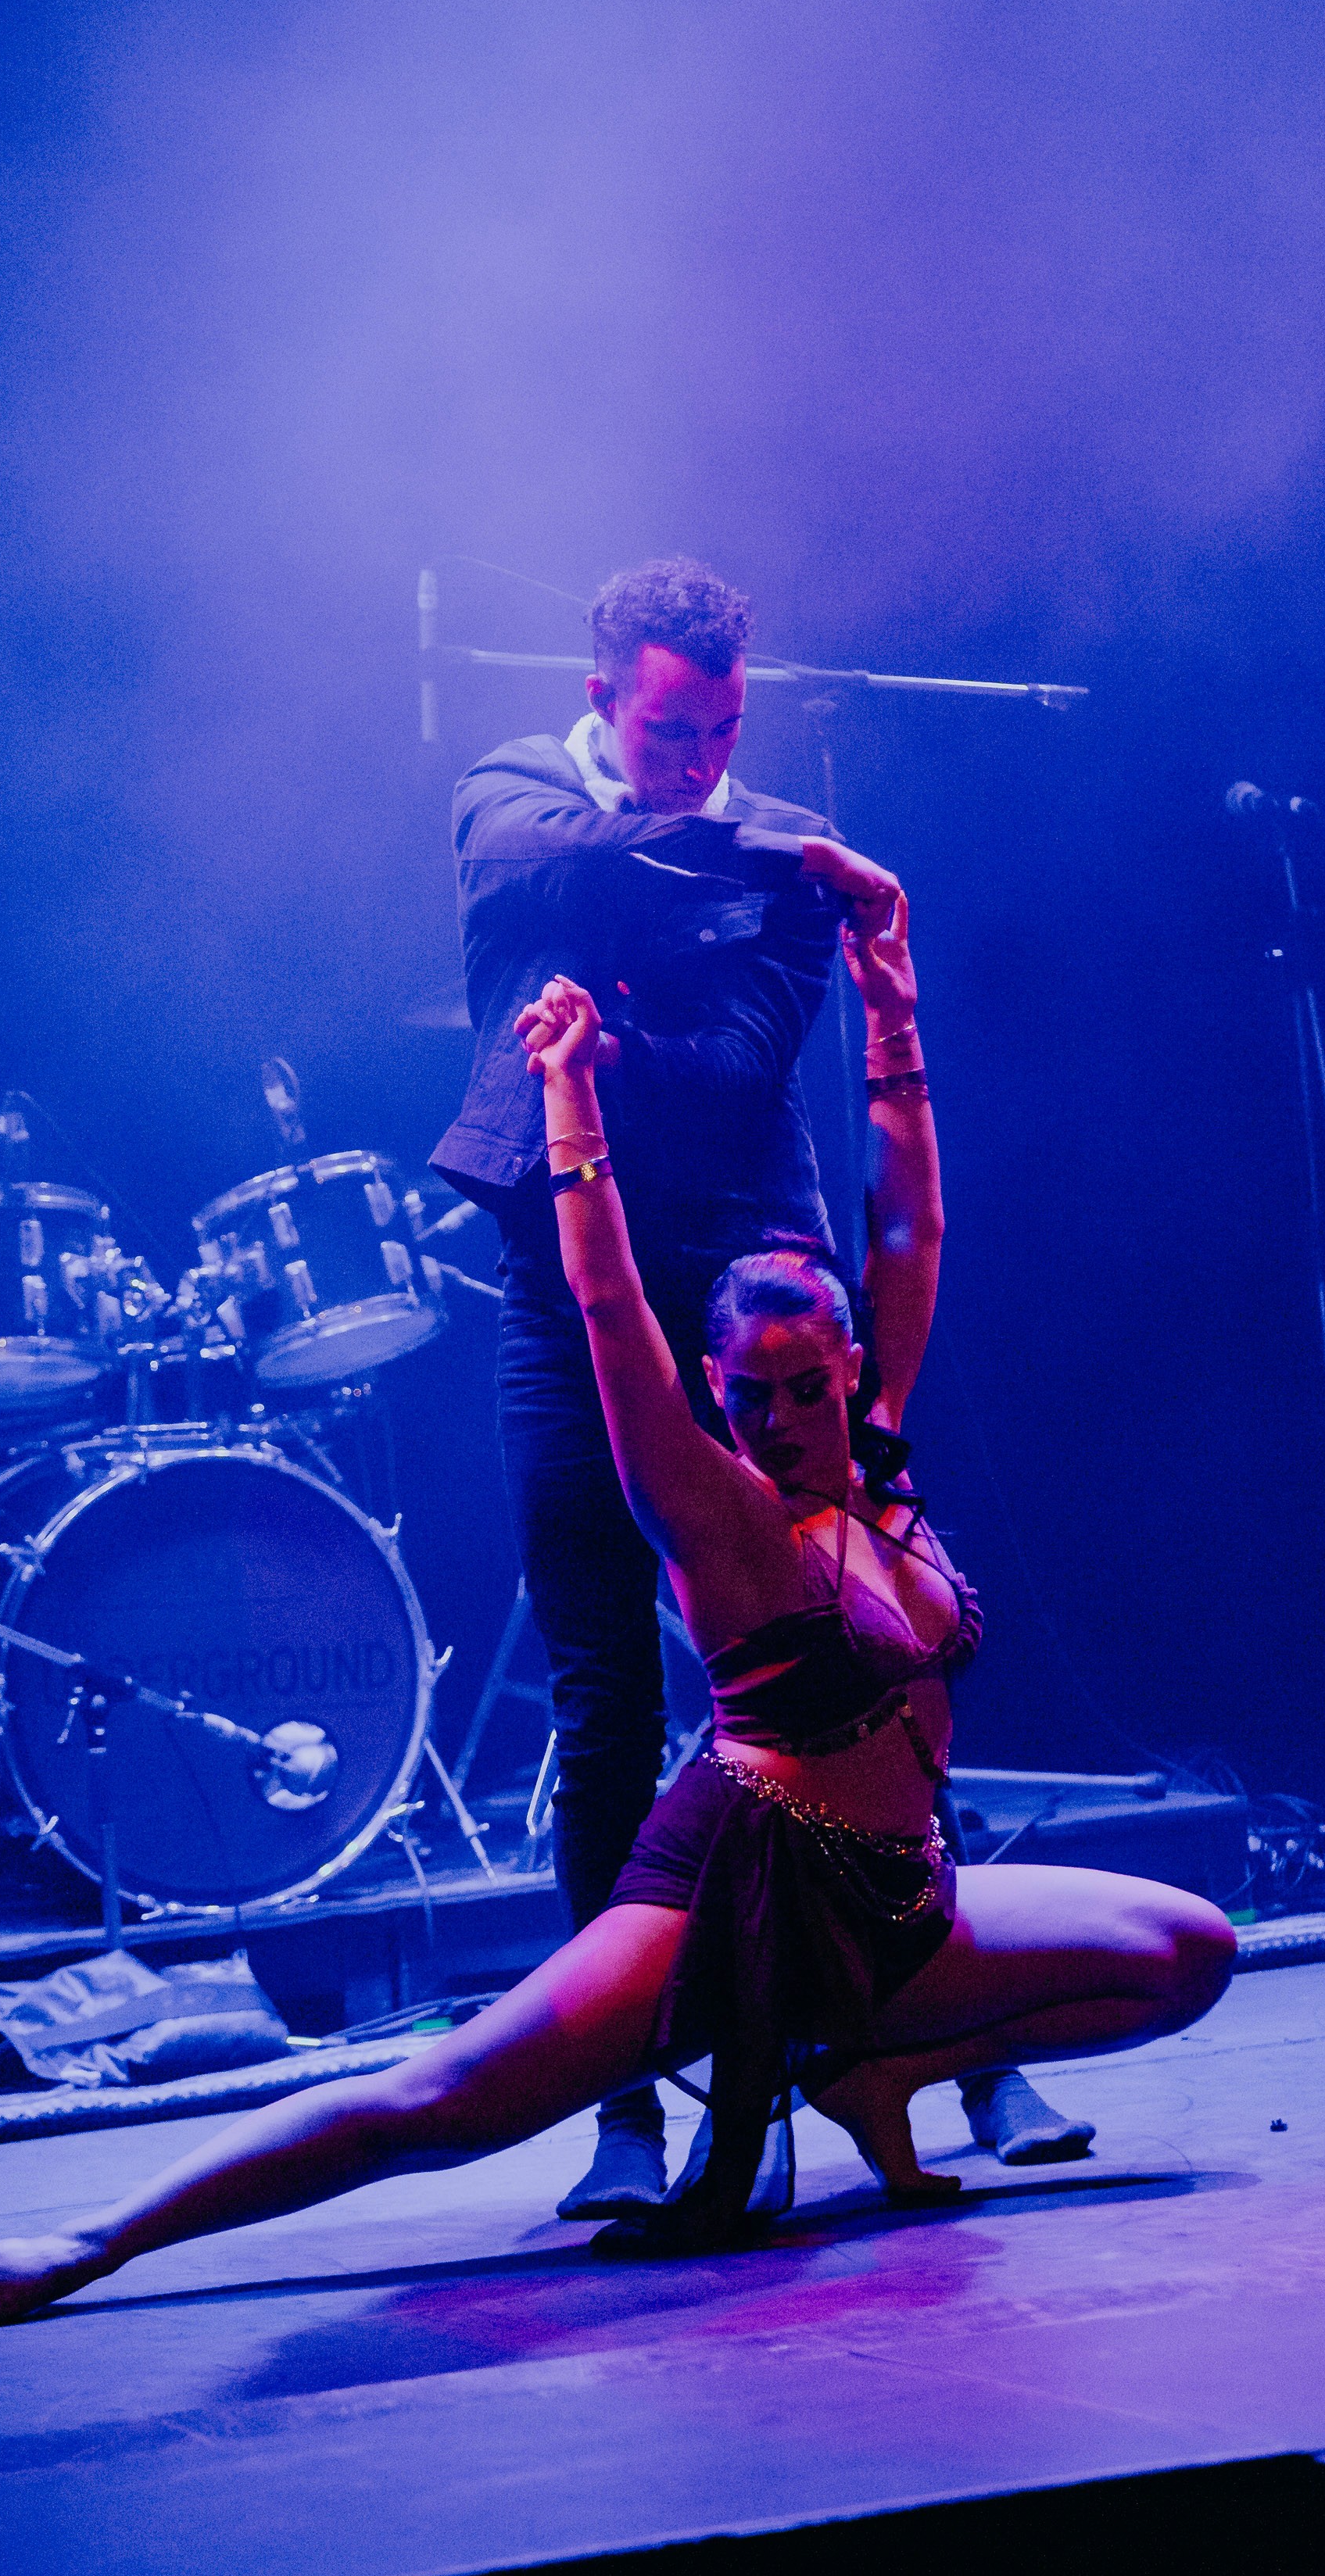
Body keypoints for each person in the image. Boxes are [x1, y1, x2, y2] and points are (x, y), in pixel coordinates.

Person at [0, 878, 1234, 2324]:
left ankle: (885, 2070)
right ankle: (105, 2236)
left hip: (902, 1902)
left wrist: (891, 1000)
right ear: (720, 1392)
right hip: (738, 1885)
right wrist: (567, 1100)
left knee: (1191, 1955)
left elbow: (911, 1224)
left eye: (811, 1387)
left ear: (846, 1365)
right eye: (752, 1395)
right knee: (438, 2101)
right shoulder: (712, 1503)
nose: (786, 1418)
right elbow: (611, 1306)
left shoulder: (875, 1441)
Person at [428, 554, 1087, 2220]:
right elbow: (537, 855)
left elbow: (731, 1068)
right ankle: (624, 2106)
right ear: (600, 702)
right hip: (566, 1302)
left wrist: (621, 1000)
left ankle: (957, 2045)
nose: (696, 759)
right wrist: (730, 852)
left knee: (849, 1670)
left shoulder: (793, 858)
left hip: (746, 1299)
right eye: (665, 729)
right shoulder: (513, 795)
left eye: (721, 731)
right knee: (602, 1711)